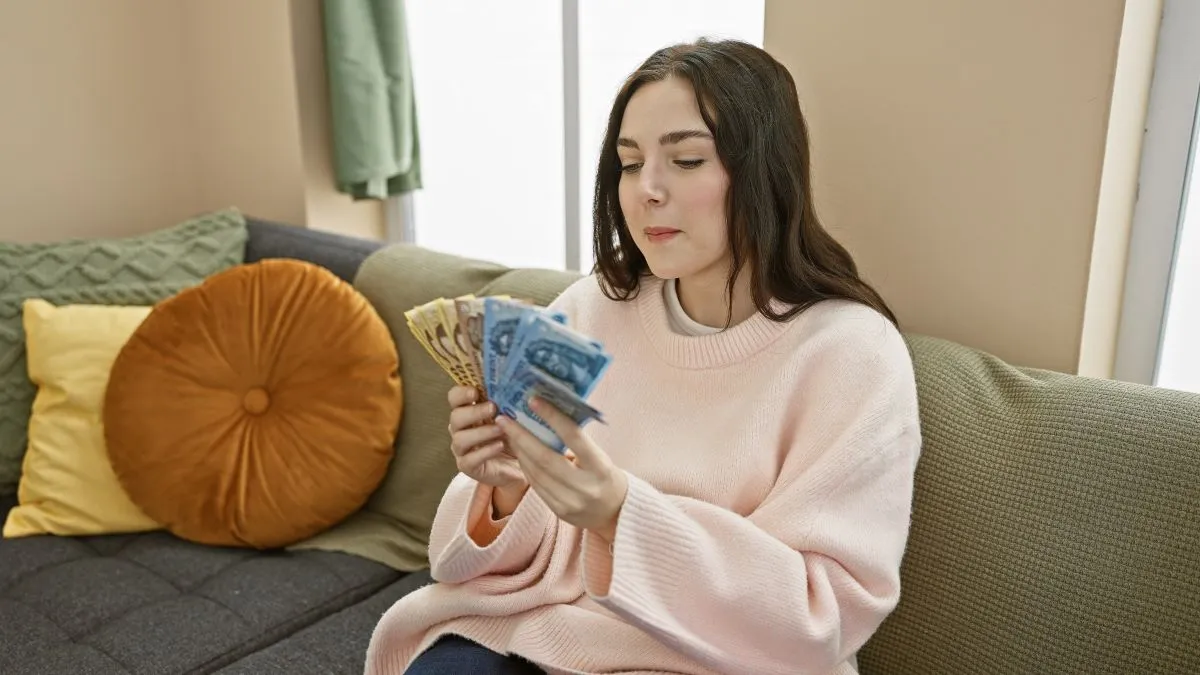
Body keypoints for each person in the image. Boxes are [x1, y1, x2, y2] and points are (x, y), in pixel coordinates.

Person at [365, 38, 922, 675]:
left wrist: (619, 515)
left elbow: (821, 617)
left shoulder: (851, 356)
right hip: (541, 633)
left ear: (766, 171)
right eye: (630, 164)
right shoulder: (594, 307)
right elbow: (465, 567)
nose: (646, 190)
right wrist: (507, 490)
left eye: (686, 160)